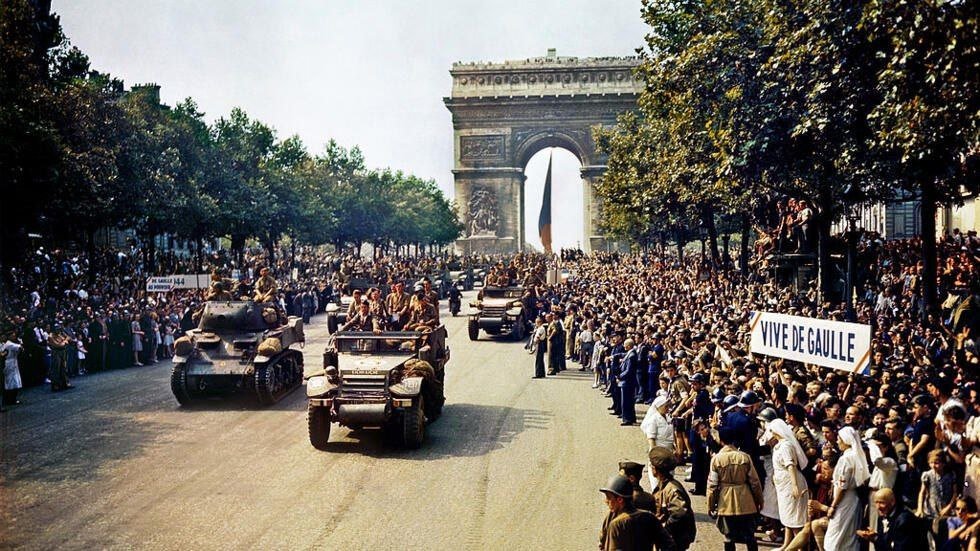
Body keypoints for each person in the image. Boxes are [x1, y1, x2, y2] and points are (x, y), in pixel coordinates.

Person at [708, 427, 764, 551]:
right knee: (750, 535)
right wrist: (759, 501)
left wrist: (711, 505)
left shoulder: (716, 459)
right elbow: (755, 483)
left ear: (720, 440)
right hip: (746, 501)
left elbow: (712, 486)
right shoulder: (745, 457)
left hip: (725, 501)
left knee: (728, 537)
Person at [599, 474, 677, 551]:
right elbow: (669, 545)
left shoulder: (616, 524)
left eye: (608, 498)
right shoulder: (649, 517)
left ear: (620, 500)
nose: (606, 501)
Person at [823, 426, 870, 551]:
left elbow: (842, 486)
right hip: (853, 500)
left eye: (839, 439)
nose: (837, 441)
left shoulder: (846, 459)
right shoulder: (854, 456)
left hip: (844, 501)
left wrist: (833, 506)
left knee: (835, 536)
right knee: (848, 536)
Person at [767, 418, 810, 546]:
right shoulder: (778, 445)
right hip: (782, 485)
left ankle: (799, 546)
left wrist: (795, 485)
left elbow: (790, 465)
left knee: (794, 518)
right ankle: (787, 544)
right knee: (787, 516)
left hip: (790, 482)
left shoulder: (786, 446)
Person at [649, 447, 696, 550]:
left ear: (656, 469)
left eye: (652, 466)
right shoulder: (663, 484)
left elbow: (679, 513)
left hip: (675, 538)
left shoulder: (672, 489)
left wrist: (664, 529)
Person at [856, 488, 928, 550]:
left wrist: (877, 539)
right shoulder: (882, 517)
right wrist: (874, 537)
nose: (878, 507)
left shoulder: (904, 520)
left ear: (892, 502)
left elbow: (900, 548)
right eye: (876, 503)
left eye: (881, 503)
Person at [618, 338, 639, 426]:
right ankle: (631, 417)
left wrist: (620, 376)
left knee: (626, 401)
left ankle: (627, 418)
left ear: (628, 346)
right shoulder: (630, 354)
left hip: (628, 381)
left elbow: (629, 370)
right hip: (628, 381)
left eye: (625, 344)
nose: (624, 346)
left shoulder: (632, 356)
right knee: (629, 401)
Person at [47, 325, 73, 391]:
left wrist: (64, 340)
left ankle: (65, 383)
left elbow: (69, 338)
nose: (59, 330)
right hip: (56, 352)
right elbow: (58, 345)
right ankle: (55, 385)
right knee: (56, 368)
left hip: (63, 352)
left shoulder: (60, 334)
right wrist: (64, 341)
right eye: (57, 329)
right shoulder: (51, 336)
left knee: (63, 368)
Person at [2, 334, 24, 405]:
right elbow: (20, 347)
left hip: (13, 362)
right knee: (11, 381)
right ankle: (11, 399)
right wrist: (20, 343)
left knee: (13, 381)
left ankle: (12, 399)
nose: (14, 337)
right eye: (12, 336)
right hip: (9, 363)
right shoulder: (9, 344)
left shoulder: (9, 343)